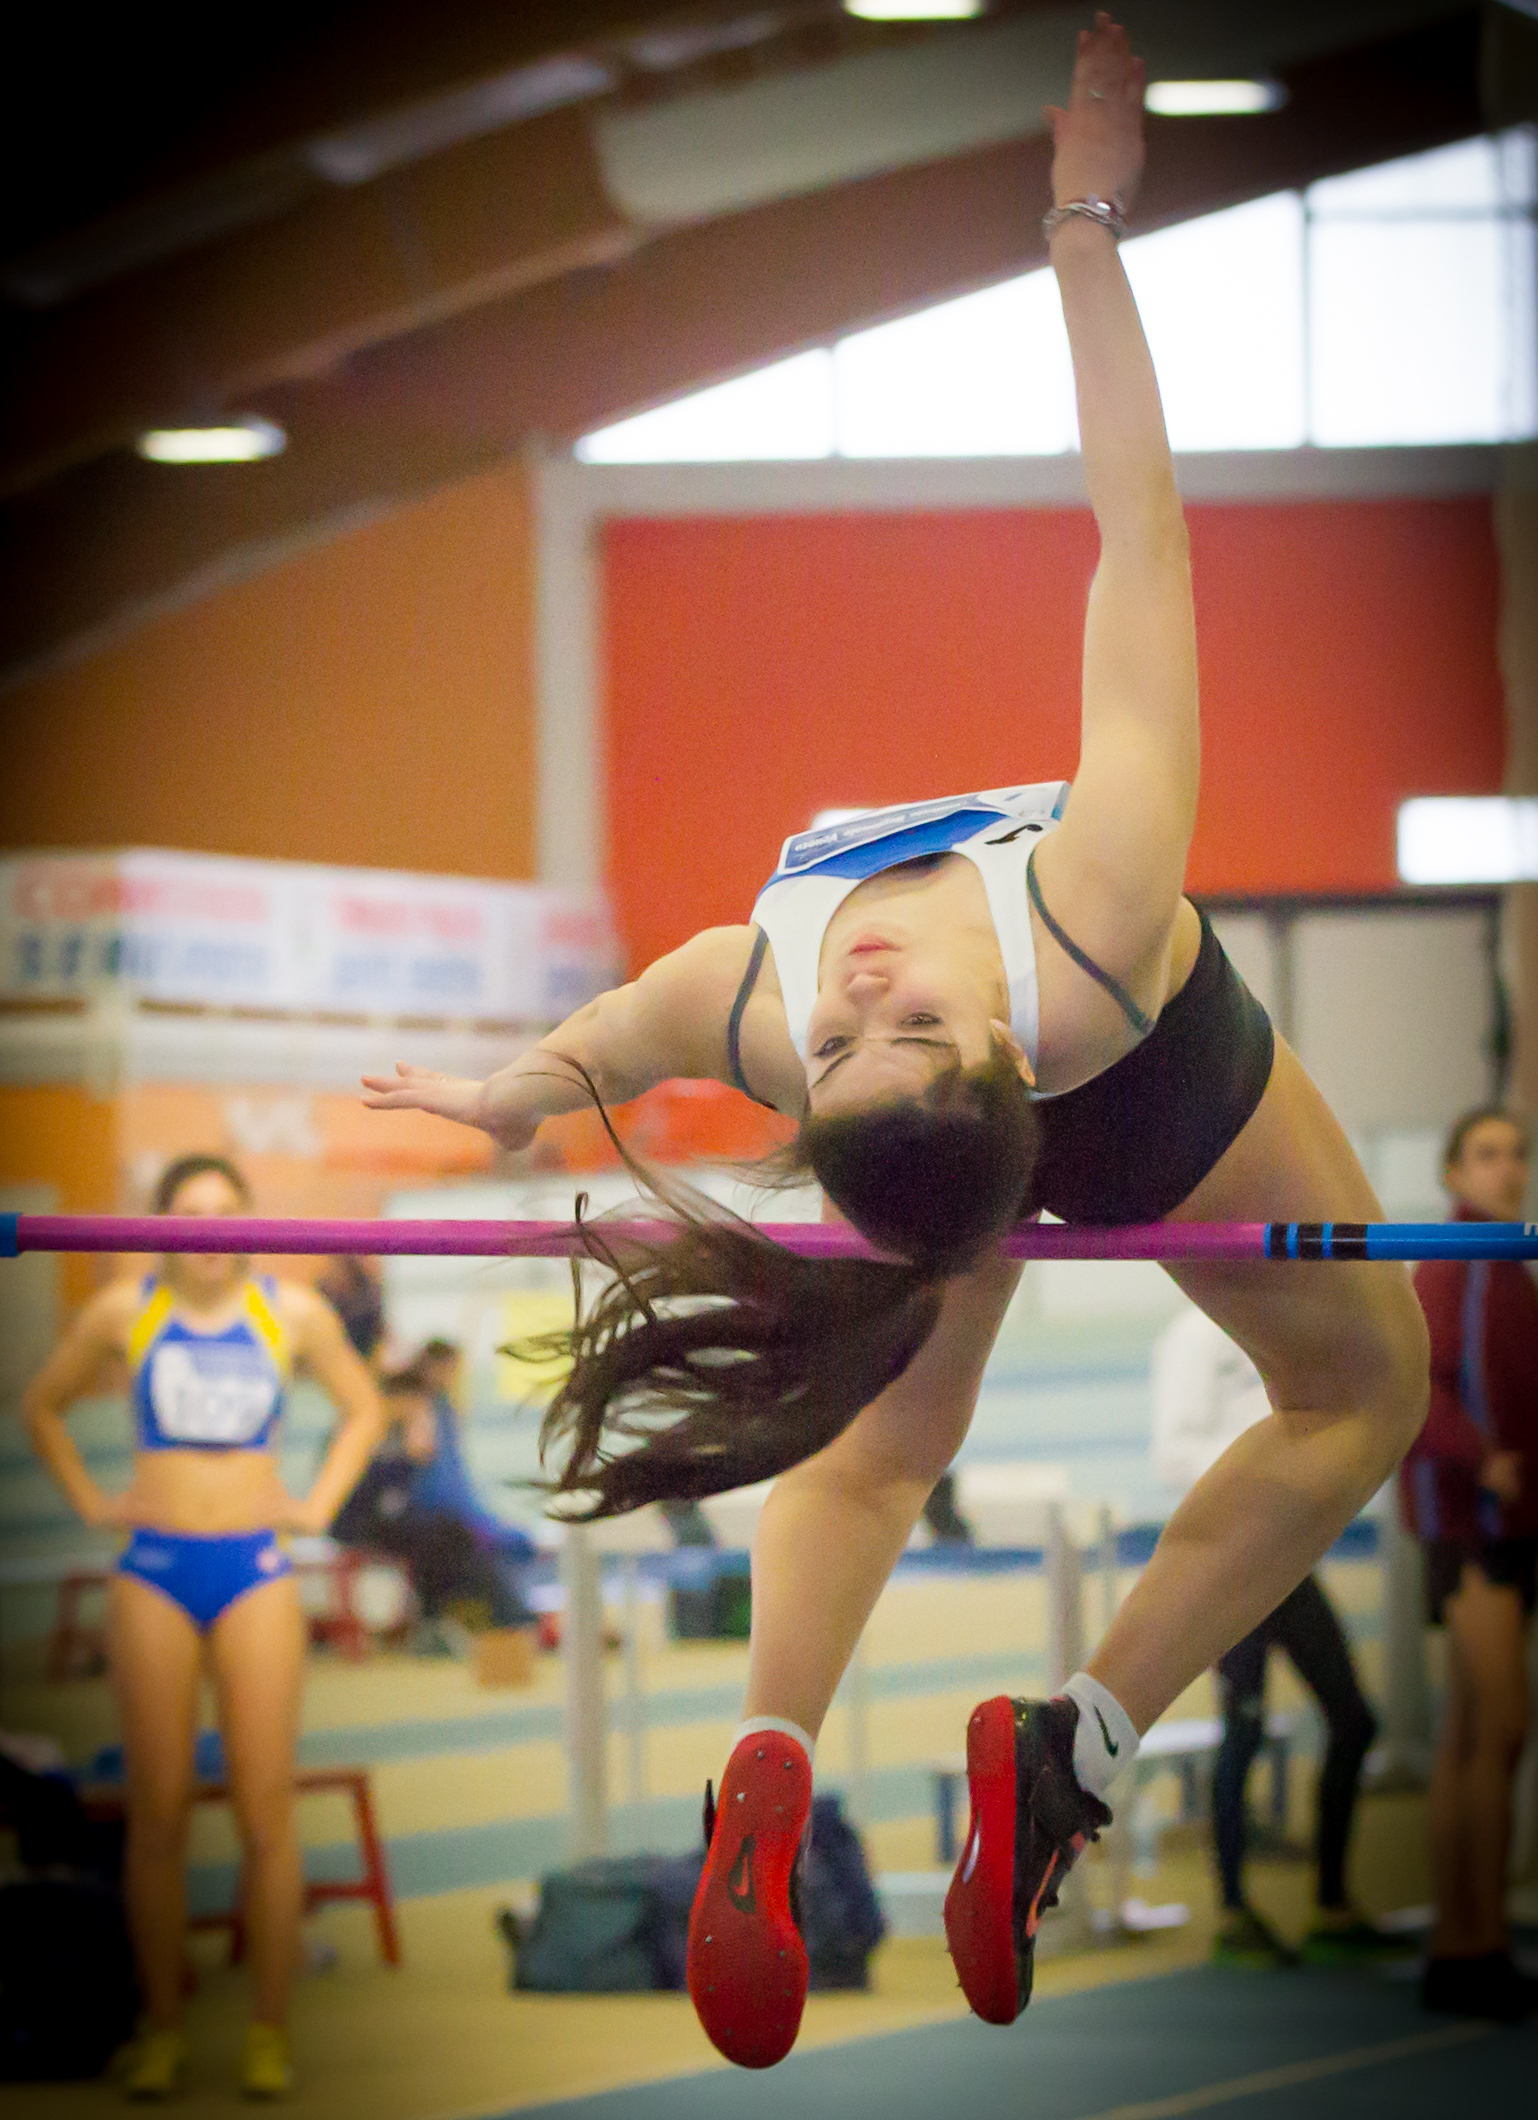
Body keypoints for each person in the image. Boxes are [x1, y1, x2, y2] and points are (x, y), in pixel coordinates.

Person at [362, 16, 1428, 2071]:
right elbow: (1138, 540)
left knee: (948, 1435)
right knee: (1317, 1393)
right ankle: (999, 1747)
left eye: (848, 1045)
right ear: (986, 1074)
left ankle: (878, 1749)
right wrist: (1083, 227)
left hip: (1067, 1131)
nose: (855, 1004)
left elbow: (627, 1025)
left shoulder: (805, 1002)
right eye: (892, 1029)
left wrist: (520, 1087)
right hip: (1122, 1100)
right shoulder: (1076, 914)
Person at [19, 1155, 382, 2100]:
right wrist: (94, 1500)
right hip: (153, 1569)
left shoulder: (290, 1312)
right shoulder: (124, 1312)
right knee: (160, 1815)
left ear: (251, 1222)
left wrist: (318, 1505)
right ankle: (166, 2029)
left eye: (228, 1212)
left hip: (254, 1569)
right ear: (161, 1224)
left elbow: (366, 1410)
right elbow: (39, 1405)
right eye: (191, 1213)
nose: (211, 1230)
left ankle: (268, 2031)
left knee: (266, 1809)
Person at [1152, 1306, 1382, 1968]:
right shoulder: (1193, 1342)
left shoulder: (1281, 1327)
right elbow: (1172, 1454)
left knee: (1354, 1721)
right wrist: (1273, 1469)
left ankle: (1332, 1905)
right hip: (1233, 1562)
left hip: (1287, 1558)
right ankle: (1232, 1913)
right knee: (1244, 1730)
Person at [1403, 1106, 1538, 2023]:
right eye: (1488, 1153)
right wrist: (1476, 1458)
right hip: (1474, 1525)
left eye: (1518, 1153)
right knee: (1501, 1728)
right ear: (1455, 1168)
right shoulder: (1454, 1259)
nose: (1509, 1168)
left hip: (1501, 1522)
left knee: (1467, 1737)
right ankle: (1478, 1943)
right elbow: (1416, 1378)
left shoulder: (1505, 1258)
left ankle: (1461, 1940)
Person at [333, 1368, 538, 1640]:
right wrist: (409, 1459)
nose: (419, 1410)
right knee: (446, 1537)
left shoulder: (402, 1434)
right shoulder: (368, 1430)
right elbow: (365, 1497)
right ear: (397, 1399)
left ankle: (475, 1618)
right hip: (358, 1526)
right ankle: (502, 1618)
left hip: (391, 1524)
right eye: (416, 1403)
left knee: (453, 1538)